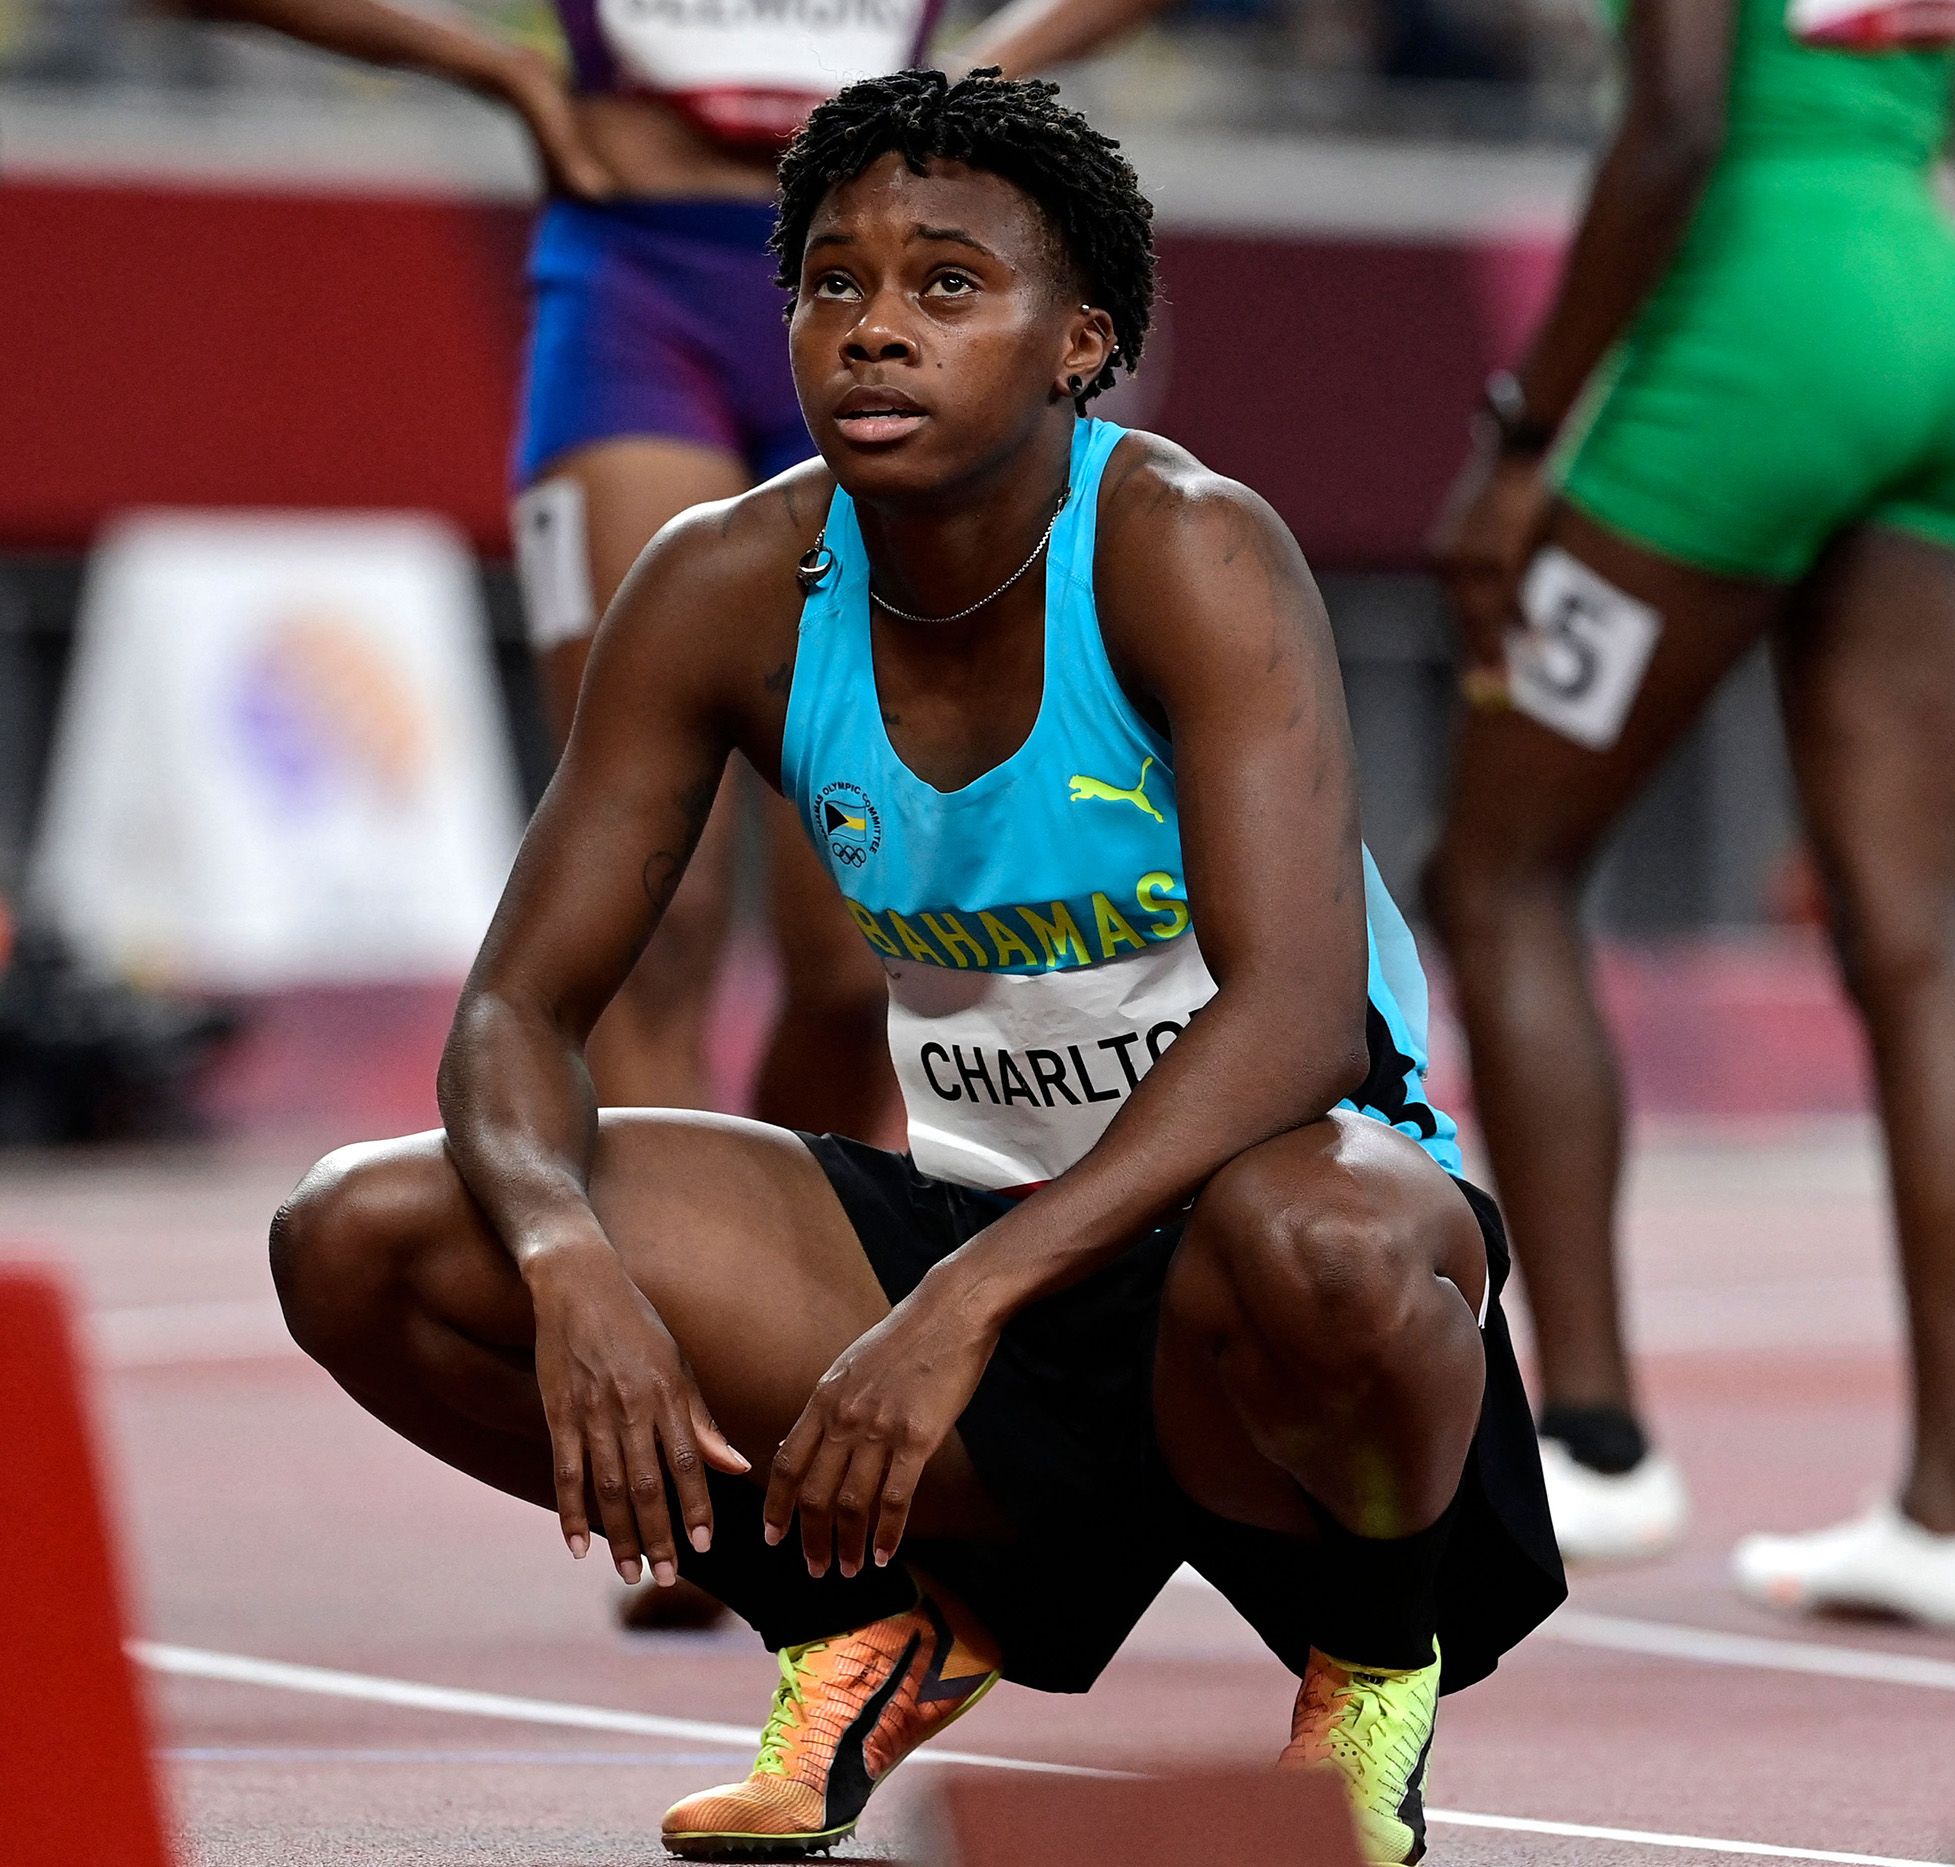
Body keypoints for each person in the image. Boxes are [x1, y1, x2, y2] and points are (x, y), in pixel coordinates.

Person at [266, 69, 1563, 1865]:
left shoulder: (1187, 547)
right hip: (963, 1228)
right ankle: (866, 1631)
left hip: (1253, 1272)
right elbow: (514, 1014)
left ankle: (1368, 1679)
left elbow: (1297, 1021)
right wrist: (571, 1262)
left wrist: (954, 1313)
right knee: (363, 1236)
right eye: (832, 284)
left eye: (949, 285)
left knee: (1330, 1236)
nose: (875, 329)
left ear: (1079, 344)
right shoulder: (727, 582)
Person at [188, 0, 940, 1628]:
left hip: (874, 268)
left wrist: (1008, 46)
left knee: (856, 952)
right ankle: (678, 1434)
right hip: (637, 290)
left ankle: (812, 1364)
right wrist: (502, 70)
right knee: (652, 924)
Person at [1419, 0, 1955, 1612]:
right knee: (1917, 938)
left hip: (1750, 332)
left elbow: (1677, 131)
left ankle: (1597, 1444)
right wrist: (1925, 351)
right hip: (1945, 332)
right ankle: (1948, 1513)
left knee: (1499, 878)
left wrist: (1525, 435)